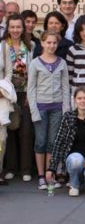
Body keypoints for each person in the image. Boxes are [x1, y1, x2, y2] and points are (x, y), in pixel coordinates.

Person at [27, 31, 70, 190]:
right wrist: (34, 111)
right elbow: (31, 89)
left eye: (54, 43)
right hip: (40, 107)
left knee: (53, 142)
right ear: (42, 43)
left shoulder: (62, 63)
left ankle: (49, 174)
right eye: (48, 42)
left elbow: (66, 89)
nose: (51, 45)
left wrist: (66, 110)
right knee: (40, 141)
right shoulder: (35, 63)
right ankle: (40, 176)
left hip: (57, 108)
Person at [45, 86, 85, 197]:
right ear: (75, 100)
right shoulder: (67, 117)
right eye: (79, 98)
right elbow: (58, 142)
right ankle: (74, 183)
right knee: (77, 159)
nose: (82, 101)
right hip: (73, 159)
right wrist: (52, 168)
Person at [3, 14, 35, 182]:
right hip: (6, 93)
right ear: (7, 28)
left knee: (26, 130)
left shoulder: (31, 46)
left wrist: (32, 93)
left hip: (25, 93)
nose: (15, 30)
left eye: (18, 27)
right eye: (12, 27)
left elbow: (34, 72)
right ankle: (10, 167)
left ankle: (26, 169)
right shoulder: (2, 46)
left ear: (23, 28)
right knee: (10, 129)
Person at [0, 28, 12, 185]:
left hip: (1, 98)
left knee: (1, 139)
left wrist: (3, 89)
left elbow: (9, 73)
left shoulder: (4, 47)